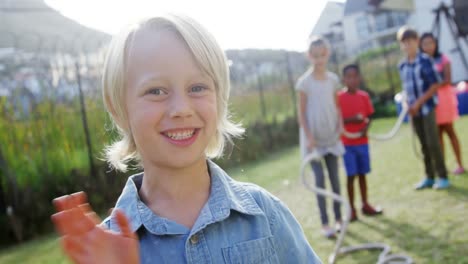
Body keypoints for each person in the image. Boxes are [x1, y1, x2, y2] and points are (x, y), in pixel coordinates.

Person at [51, 15, 322, 263]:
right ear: (118, 108)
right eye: (156, 90)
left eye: (197, 87)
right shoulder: (105, 249)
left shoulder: (265, 214)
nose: (181, 108)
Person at [296, 36, 344, 238]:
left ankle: (340, 218)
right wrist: (309, 137)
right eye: (315, 56)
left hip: (331, 137)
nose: (319, 59)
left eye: (322, 55)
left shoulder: (333, 79)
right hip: (313, 141)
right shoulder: (304, 83)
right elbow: (302, 113)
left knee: (334, 179)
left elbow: (337, 105)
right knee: (320, 181)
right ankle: (325, 223)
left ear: (327, 54)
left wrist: (340, 125)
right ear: (309, 56)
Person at [396, 26, 449, 190]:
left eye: (410, 41)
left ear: (416, 42)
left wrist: (419, 102)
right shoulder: (402, 65)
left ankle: (443, 176)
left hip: (427, 108)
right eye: (404, 43)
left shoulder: (425, 60)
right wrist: (407, 104)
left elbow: (434, 84)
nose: (407, 45)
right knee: (423, 144)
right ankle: (429, 176)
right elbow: (406, 89)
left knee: (433, 142)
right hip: (414, 111)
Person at [338, 64, 383, 222]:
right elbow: (337, 120)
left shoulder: (364, 96)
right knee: (351, 176)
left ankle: (365, 204)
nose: (352, 79)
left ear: (359, 78)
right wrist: (352, 119)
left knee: (363, 174)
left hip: (362, 142)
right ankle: (351, 210)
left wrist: (365, 127)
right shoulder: (338, 98)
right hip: (347, 144)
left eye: (355, 76)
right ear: (344, 79)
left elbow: (369, 116)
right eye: (348, 76)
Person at [420, 32, 465, 175]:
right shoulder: (421, 62)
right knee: (437, 135)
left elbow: (447, 79)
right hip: (430, 101)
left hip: (444, 99)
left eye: (431, 43)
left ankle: (460, 164)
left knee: (449, 131)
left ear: (435, 44)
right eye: (425, 43)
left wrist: (433, 86)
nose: (428, 46)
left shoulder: (443, 59)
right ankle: (442, 166)